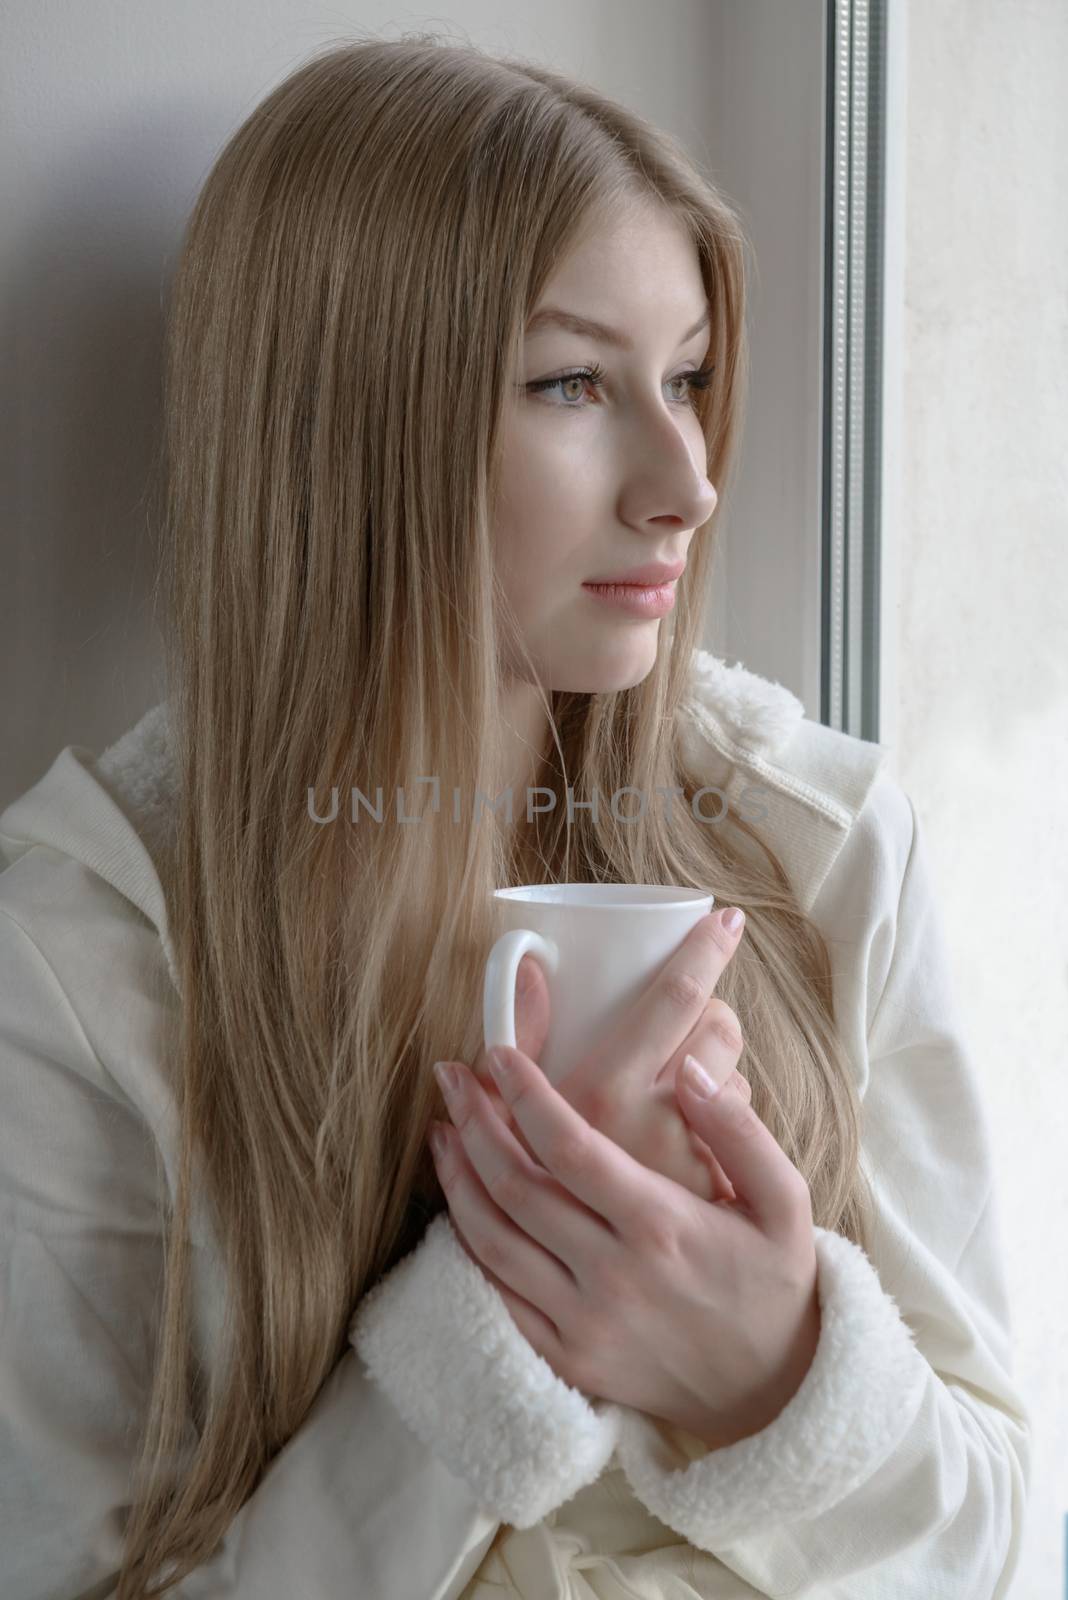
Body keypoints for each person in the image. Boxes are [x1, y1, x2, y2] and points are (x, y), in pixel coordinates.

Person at [0, 33, 1029, 1600]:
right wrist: (499, 1318)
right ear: (343, 433)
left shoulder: (821, 847)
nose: (684, 479)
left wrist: (777, 1372)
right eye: (573, 384)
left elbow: (1008, 1554)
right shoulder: (78, 970)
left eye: (687, 378)